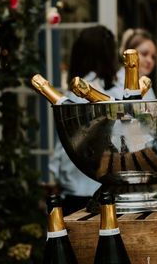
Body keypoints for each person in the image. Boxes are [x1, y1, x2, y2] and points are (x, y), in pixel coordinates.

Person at [49, 25, 121, 215]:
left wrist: (53, 176)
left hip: (75, 189)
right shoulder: (116, 93)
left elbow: (63, 145)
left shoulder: (74, 95)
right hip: (111, 188)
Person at [117, 28, 157, 99]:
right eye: (144, 54)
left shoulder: (147, 86)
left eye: (153, 57)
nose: (149, 60)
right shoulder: (116, 84)